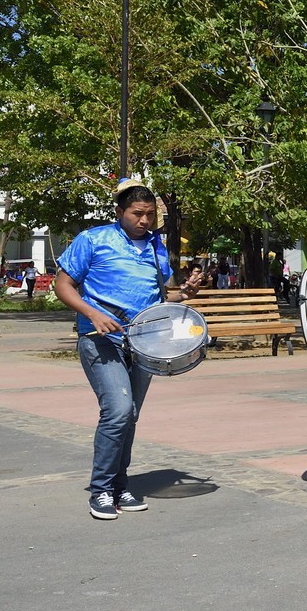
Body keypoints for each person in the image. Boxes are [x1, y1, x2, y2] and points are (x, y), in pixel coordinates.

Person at [53, 180, 206, 519]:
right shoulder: (93, 240)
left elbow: (161, 299)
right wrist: (93, 313)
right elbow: (61, 285)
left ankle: (121, 486)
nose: (145, 221)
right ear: (120, 212)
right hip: (99, 338)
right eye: (137, 214)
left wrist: (186, 293)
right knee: (119, 410)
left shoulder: (156, 247)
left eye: (150, 214)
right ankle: (101, 490)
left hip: (143, 342)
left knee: (130, 416)